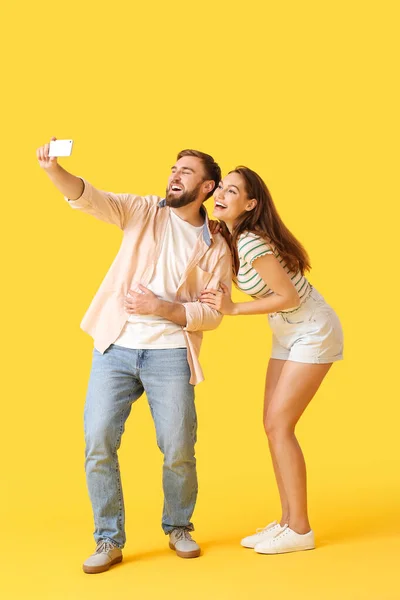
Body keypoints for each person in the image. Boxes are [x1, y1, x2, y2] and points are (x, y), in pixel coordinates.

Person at [36, 139, 232, 573]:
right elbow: (91, 198)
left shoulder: (216, 245)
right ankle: (108, 539)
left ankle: (179, 526)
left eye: (186, 171)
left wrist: (163, 308)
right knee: (99, 440)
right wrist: (54, 170)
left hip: (169, 354)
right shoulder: (145, 211)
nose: (174, 175)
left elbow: (214, 314)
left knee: (179, 446)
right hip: (115, 346)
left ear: (208, 187)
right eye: (173, 168)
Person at [200, 166, 343, 555]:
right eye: (221, 189)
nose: (221, 195)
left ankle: (300, 529)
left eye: (233, 191)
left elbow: (289, 297)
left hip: (312, 328)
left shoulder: (250, 243)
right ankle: (286, 521)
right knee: (271, 425)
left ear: (250, 204)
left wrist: (232, 309)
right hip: (286, 332)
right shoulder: (233, 238)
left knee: (281, 425)